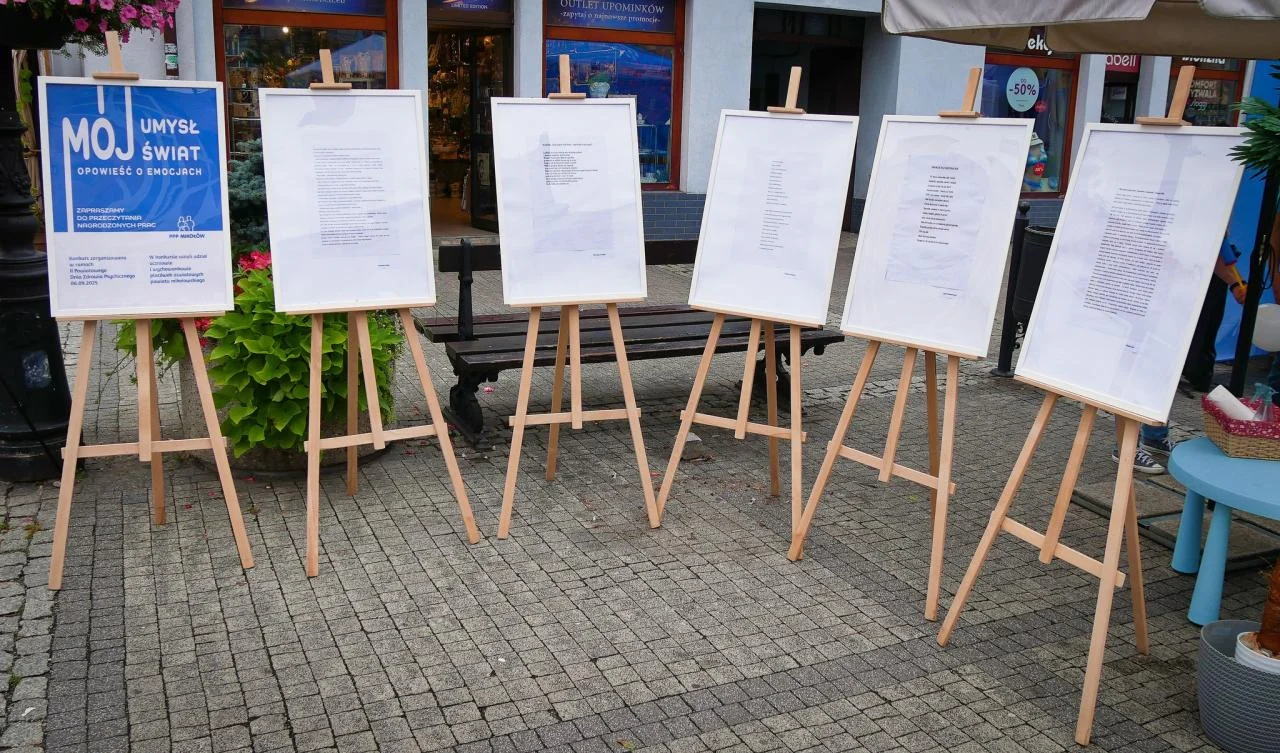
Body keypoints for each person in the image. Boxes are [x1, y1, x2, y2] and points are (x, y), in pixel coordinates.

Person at [1115, 234, 1249, 474]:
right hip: (1144, 294)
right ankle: (1125, 446)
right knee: (1135, 370)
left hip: (1178, 301)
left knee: (1164, 371)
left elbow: (1215, 252)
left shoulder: (1210, 217)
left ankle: (1155, 435)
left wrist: (1234, 284)